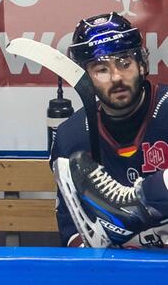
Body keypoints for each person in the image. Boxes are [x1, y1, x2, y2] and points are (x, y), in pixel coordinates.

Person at [50, 12, 168, 248]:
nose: (116, 77)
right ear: (85, 78)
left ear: (142, 64)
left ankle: (137, 203)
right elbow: (73, 230)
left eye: (125, 63)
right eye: (101, 70)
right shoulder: (71, 136)